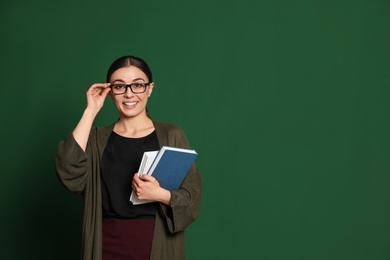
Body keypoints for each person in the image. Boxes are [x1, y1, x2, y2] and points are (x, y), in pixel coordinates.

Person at [55, 55, 202, 260]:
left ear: (150, 88)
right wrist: (91, 110)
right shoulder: (97, 139)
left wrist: (159, 194)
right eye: (119, 86)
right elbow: (69, 172)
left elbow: (192, 196)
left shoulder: (171, 135)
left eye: (138, 85)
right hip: (105, 244)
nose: (129, 94)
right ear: (110, 91)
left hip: (156, 245)